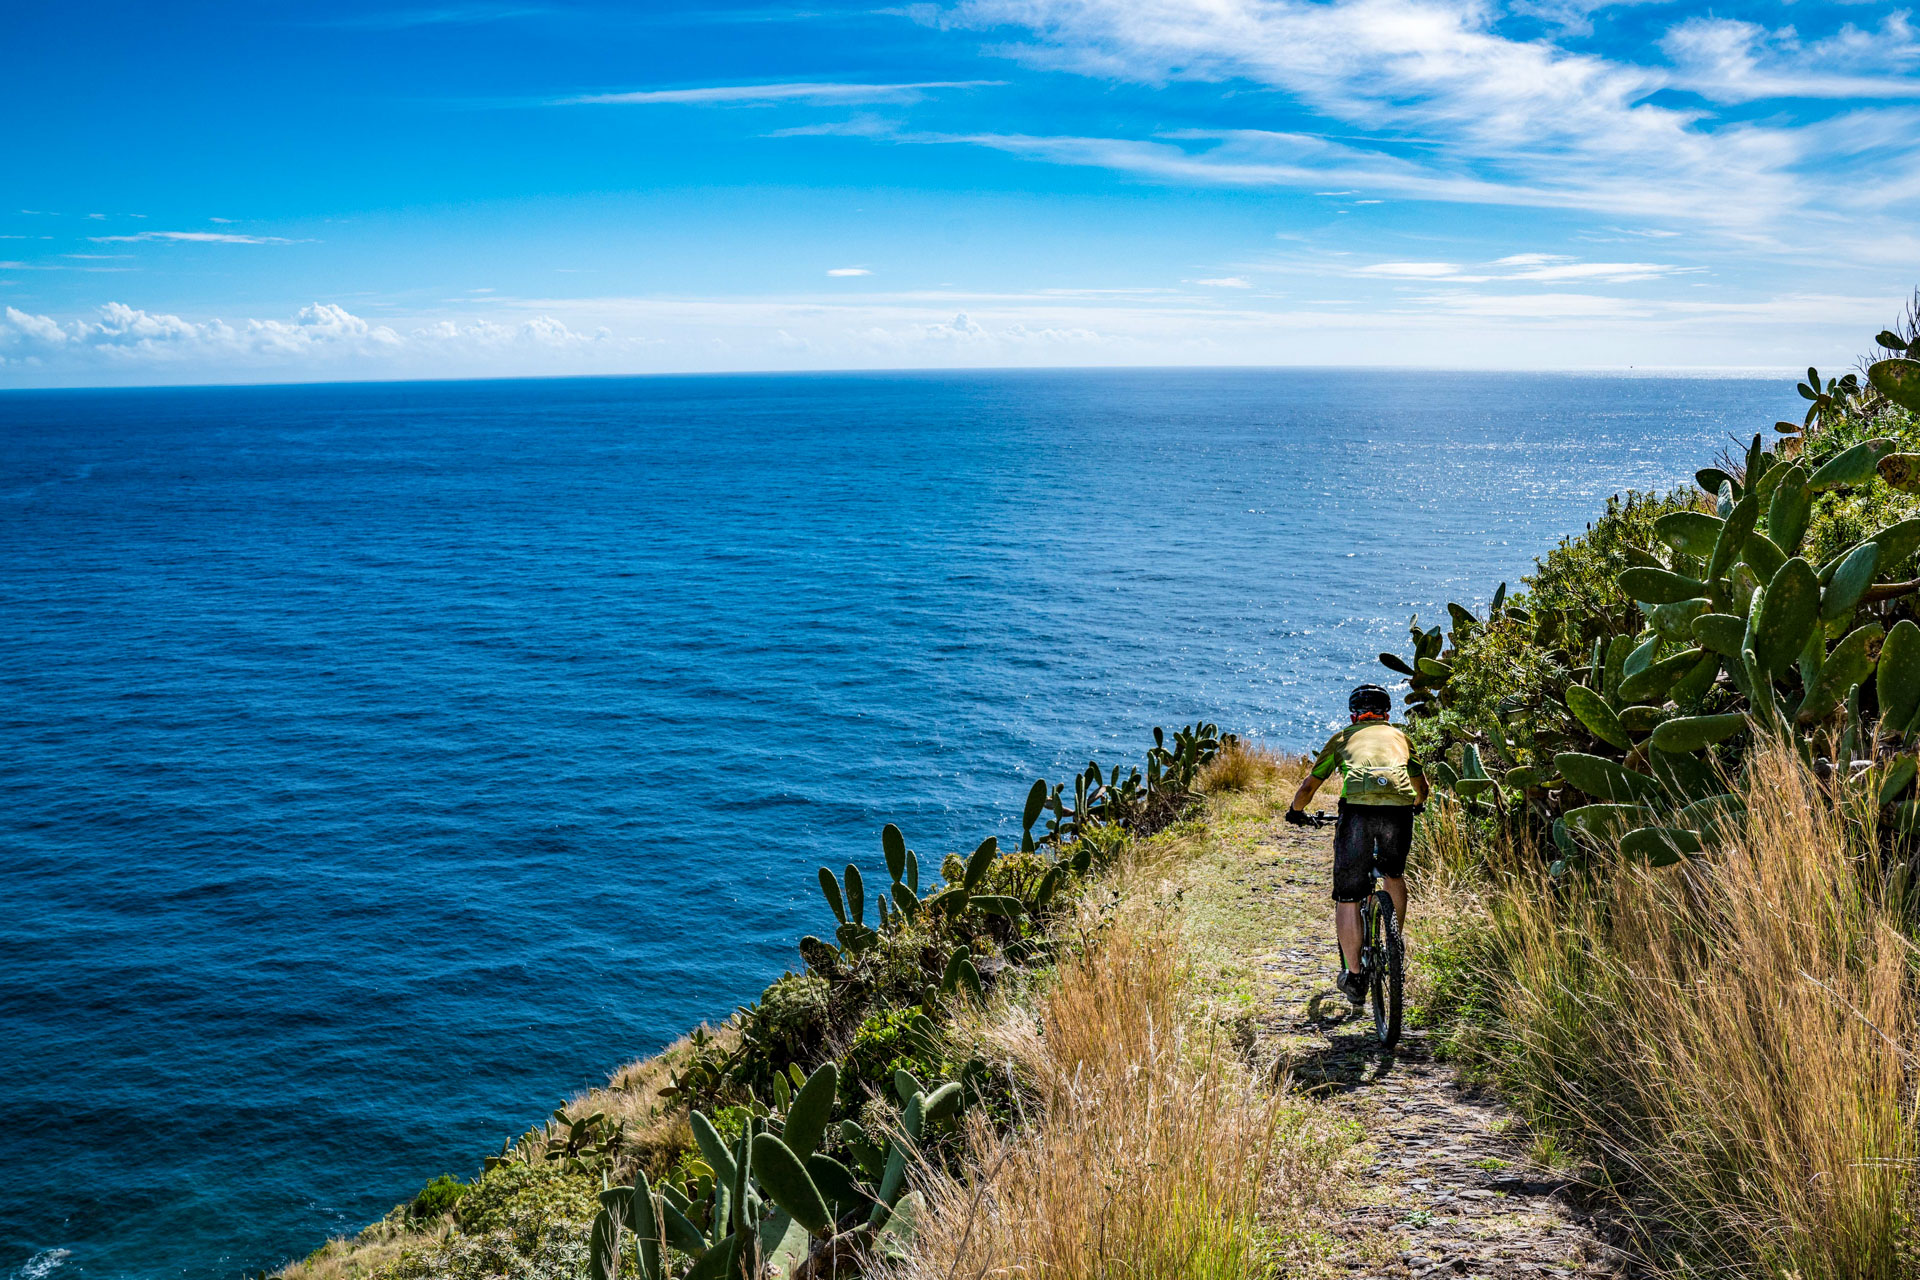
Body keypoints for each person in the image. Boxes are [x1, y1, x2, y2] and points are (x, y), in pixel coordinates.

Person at [1284, 684, 1427, 1005]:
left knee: (1349, 894)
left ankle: (1354, 975)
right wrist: (1418, 804)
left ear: (1353, 714)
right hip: (1399, 810)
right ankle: (1394, 945)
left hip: (1358, 812)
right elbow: (1421, 784)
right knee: (1393, 875)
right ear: (1387, 714)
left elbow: (1309, 786)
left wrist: (1295, 813)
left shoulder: (1343, 738)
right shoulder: (1401, 738)